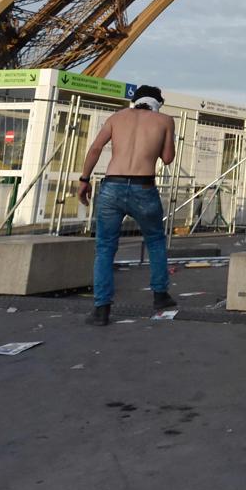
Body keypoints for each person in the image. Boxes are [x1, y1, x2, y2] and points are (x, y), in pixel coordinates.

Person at [77, 85, 177, 326]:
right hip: (144, 187)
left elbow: (95, 148)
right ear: (157, 103)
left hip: (112, 186)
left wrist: (84, 179)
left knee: (105, 247)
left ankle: (101, 309)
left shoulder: (116, 117)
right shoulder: (164, 120)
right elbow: (167, 158)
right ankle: (160, 296)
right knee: (154, 241)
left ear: (135, 100)